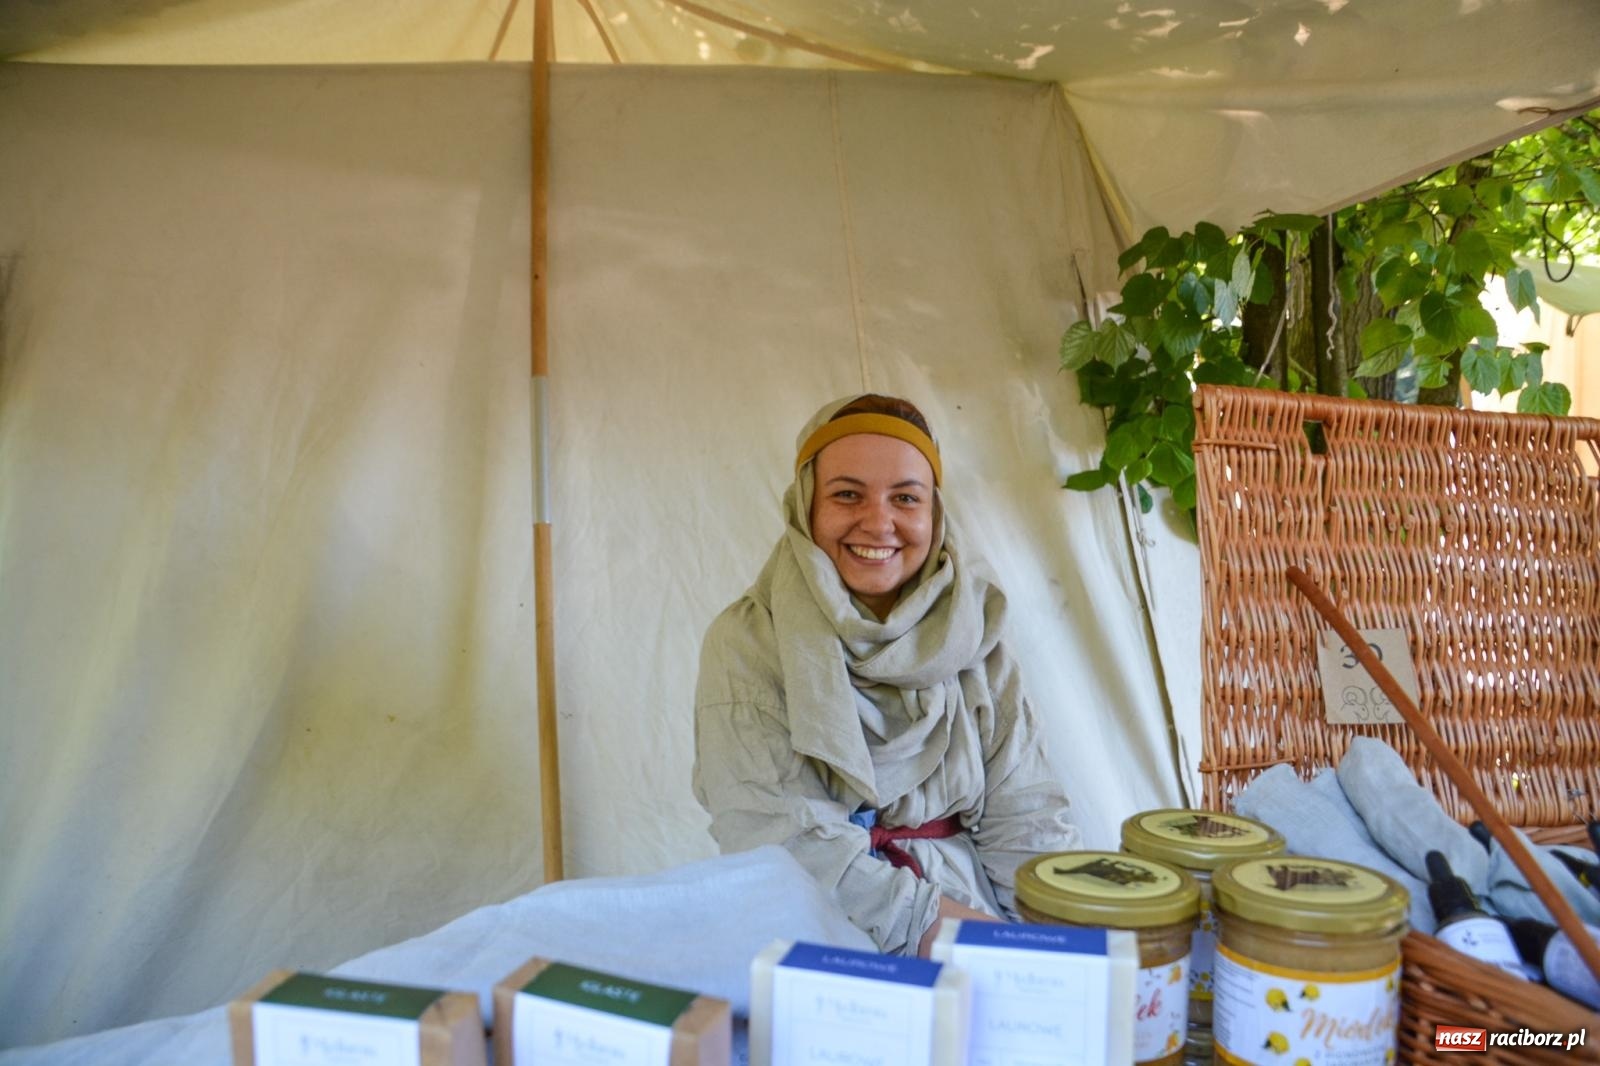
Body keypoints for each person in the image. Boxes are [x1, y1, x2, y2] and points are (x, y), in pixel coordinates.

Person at [692, 393, 1081, 957]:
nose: (879, 523)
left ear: (934, 513)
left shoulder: (973, 631)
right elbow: (785, 844)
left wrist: (1059, 941)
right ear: (806, 506)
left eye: (905, 498)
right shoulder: (749, 642)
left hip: (972, 919)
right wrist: (976, 947)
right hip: (812, 933)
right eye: (847, 494)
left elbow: (1025, 817)